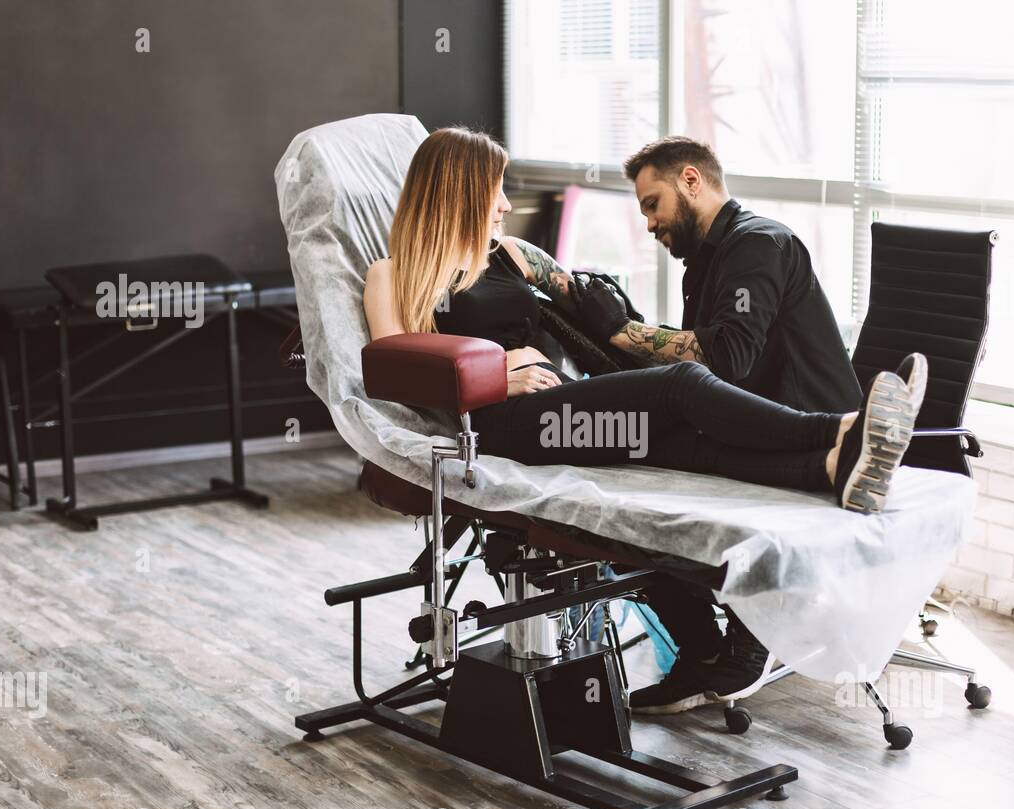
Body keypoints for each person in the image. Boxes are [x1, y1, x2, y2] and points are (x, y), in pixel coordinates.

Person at [362, 127, 925, 687]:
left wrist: (616, 327)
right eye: (495, 190)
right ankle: (842, 431)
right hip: (505, 424)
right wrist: (495, 376)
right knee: (679, 384)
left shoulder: (508, 254)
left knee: (683, 444)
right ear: (456, 191)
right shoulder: (392, 275)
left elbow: (580, 294)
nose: (507, 203)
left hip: (563, 412)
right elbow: (397, 371)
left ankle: (830, 467)